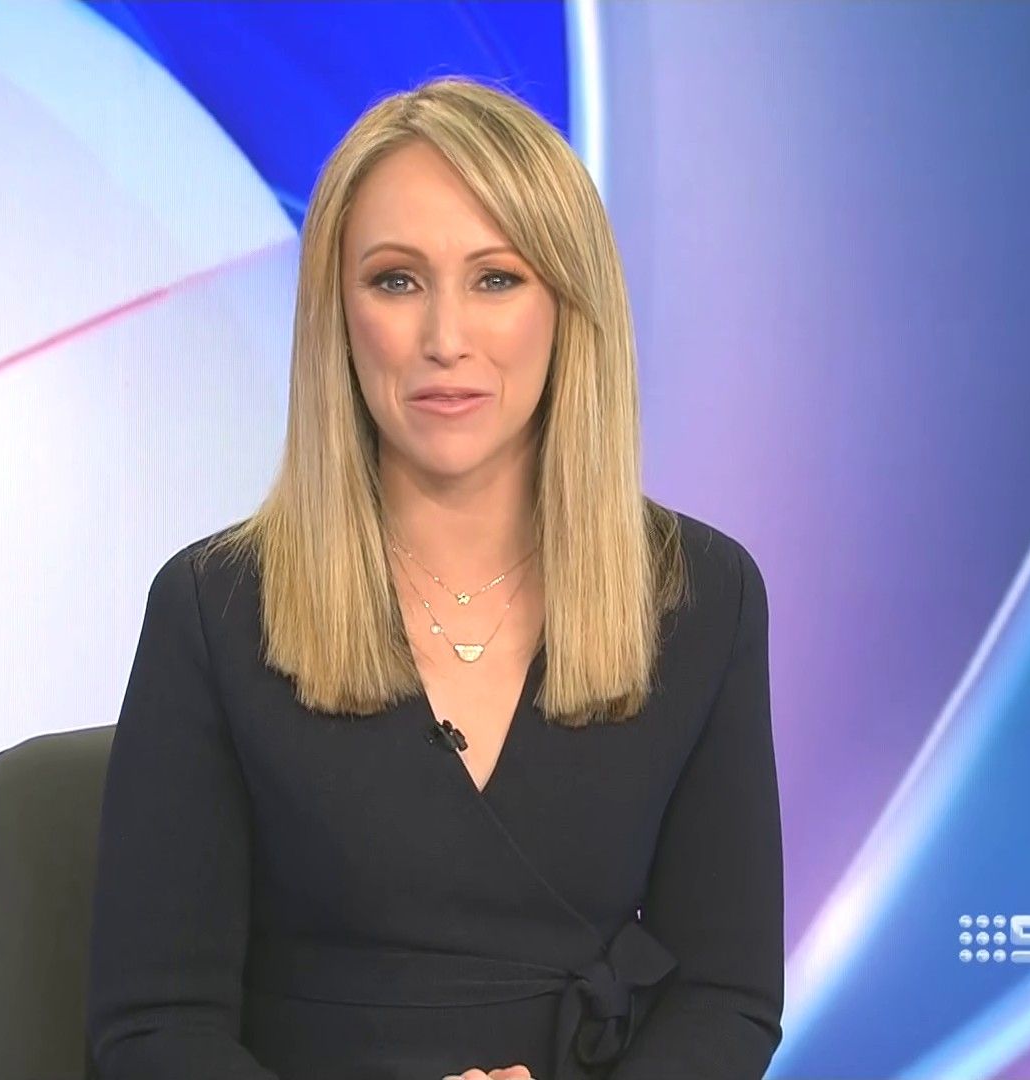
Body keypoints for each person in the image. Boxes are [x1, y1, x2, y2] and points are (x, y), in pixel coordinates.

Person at [85, 75, 783, 1080]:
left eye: (495, 279)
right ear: (338, 315)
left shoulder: (701, 597)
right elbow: (155, 1029)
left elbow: (726, 999)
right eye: (396, 281)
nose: (445, 339)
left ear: (568, 307)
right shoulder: (215, 608)